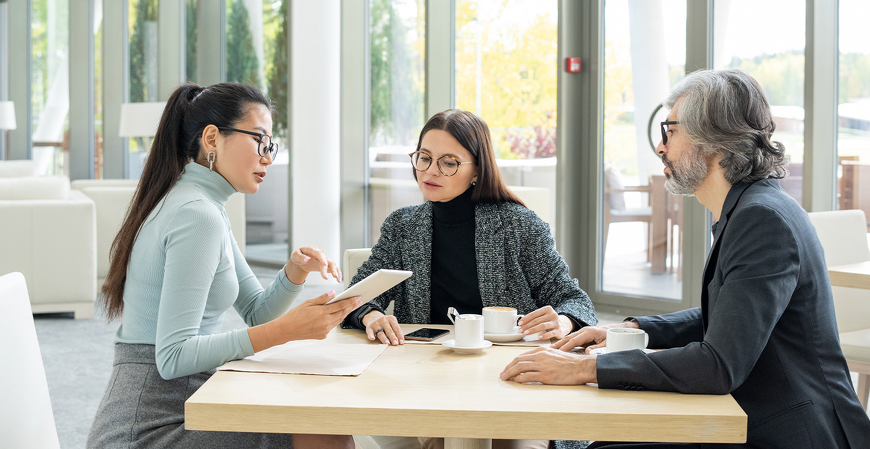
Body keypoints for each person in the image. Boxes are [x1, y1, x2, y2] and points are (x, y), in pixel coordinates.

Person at [501, 69, 870, 448]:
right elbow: (732, 319)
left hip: (791, 432)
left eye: (670, 132)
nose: (661, 147)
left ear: (712, 139)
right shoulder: (752, 208)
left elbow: (718, 364)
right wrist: (631, 328)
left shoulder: (761, 220)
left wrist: (584, 368)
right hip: (759, 417)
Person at [87, 82, 360, 448]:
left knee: (319, 420)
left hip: (184, 399)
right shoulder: (197, 214)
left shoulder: (202, 204)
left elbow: (255, 313)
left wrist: (293, 273)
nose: (268, 157)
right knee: (325, 436)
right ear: (212, 138)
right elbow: (172, 356)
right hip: (150, 422)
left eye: (271, 145)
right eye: (259, 141)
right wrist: (286, 330)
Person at [342, 109, 598, 449]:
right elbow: (354, 297)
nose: (431, 171)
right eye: (424, 158)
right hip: (426, 379)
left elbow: (576, 302)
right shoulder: (402, 227)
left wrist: (564, 321)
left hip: (511, 380)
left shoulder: (519, 225)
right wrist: (371, 314)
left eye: (449, 162)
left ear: (477, 169)